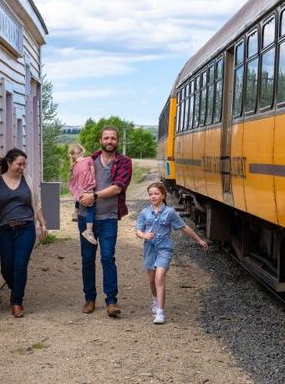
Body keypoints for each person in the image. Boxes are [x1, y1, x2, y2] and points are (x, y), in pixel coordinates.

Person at [0, 148, 48, 318]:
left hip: (26, 228)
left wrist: (42, 222)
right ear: (9, 163)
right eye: (19, 164)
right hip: (5, 229)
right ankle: (17, 290)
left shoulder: (27, 181)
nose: (22, 167)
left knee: (20, 265)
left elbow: (37, 203)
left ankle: (17, 302)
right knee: (6, 268)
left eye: (24, 164)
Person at [135, 181, 208, 324]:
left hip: (164, 248)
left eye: (156, 194)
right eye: (151, 194)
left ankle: (160, 313)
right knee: (151, 280)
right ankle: (155, 300)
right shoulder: (145, 212)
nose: (153, 197)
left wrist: (199, 240)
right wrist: (143, 235)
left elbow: (184, 227)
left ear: (163, 195)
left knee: (159, 278)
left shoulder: (170, 212)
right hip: (149, 248)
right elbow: (138, 230)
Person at [77, 125, 132, 318]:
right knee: (87, 260)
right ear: (100, 140)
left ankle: (111, 301)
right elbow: (76, 180)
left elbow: (118, 187)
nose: (109, 141)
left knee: (108, 258)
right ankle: (90, 299)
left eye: (113, 138)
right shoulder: (89, 160)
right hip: (86, 217)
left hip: (108, 218)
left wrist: (94, 195)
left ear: (118, 141)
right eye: (106, 138)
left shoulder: (124, 162)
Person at [68, 143, 97, 245]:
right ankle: (88, 231)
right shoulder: (89, 159)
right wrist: (92, 183)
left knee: (78, 197)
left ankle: (75, 212)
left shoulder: (74, 165)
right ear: (82, 151)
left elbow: (73, 178)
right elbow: (93, 173)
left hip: (79, 187)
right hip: (88, 187)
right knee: (91, 209)